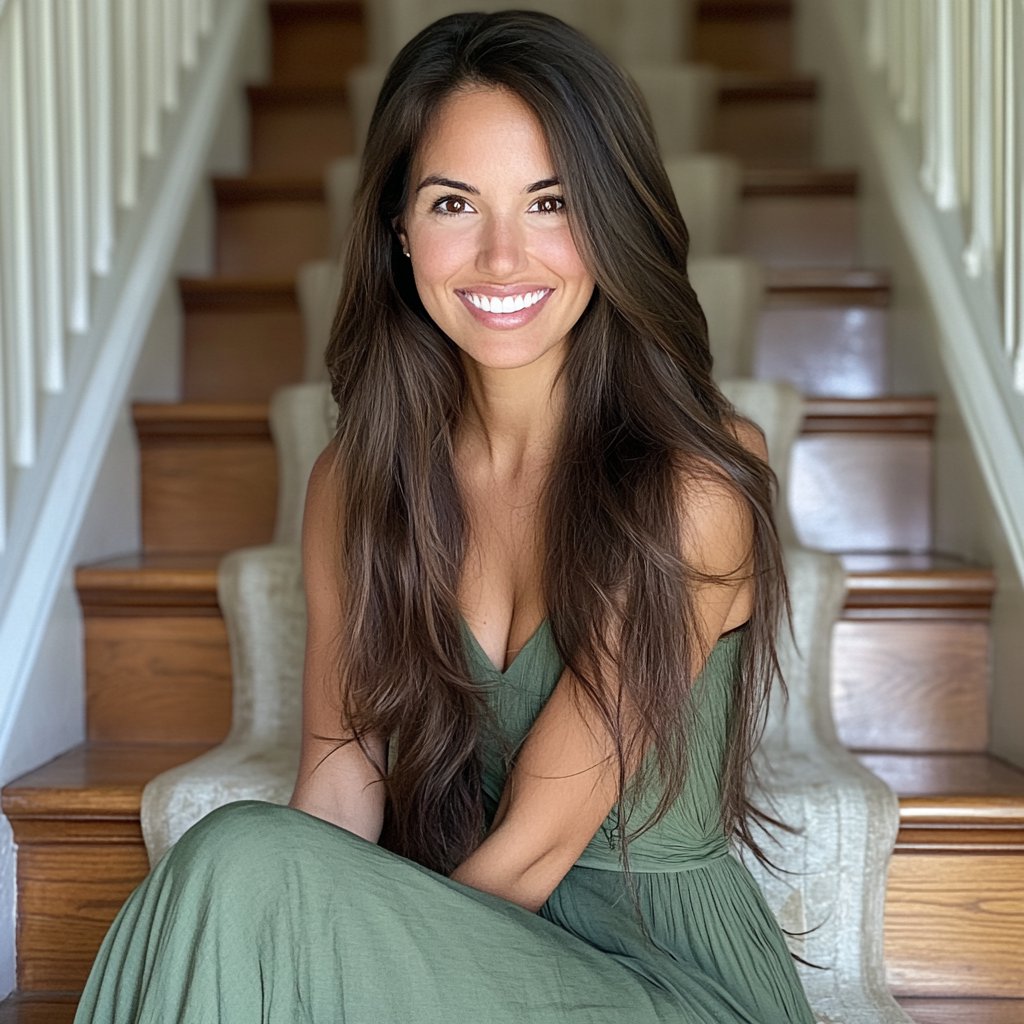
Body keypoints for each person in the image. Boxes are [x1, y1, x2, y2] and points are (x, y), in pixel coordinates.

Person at [74, 11, 816, 1023]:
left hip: (657, 977)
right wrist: (298, 926)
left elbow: (537, 848)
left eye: (550, 201)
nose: (501, 256)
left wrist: (331, 953)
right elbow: (339, 790)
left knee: (243, 862)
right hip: (464, 939)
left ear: (611, 220)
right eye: (454, 202)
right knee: (246, 864)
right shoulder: (356, 481)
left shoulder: (690, 486)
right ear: (399, 226)